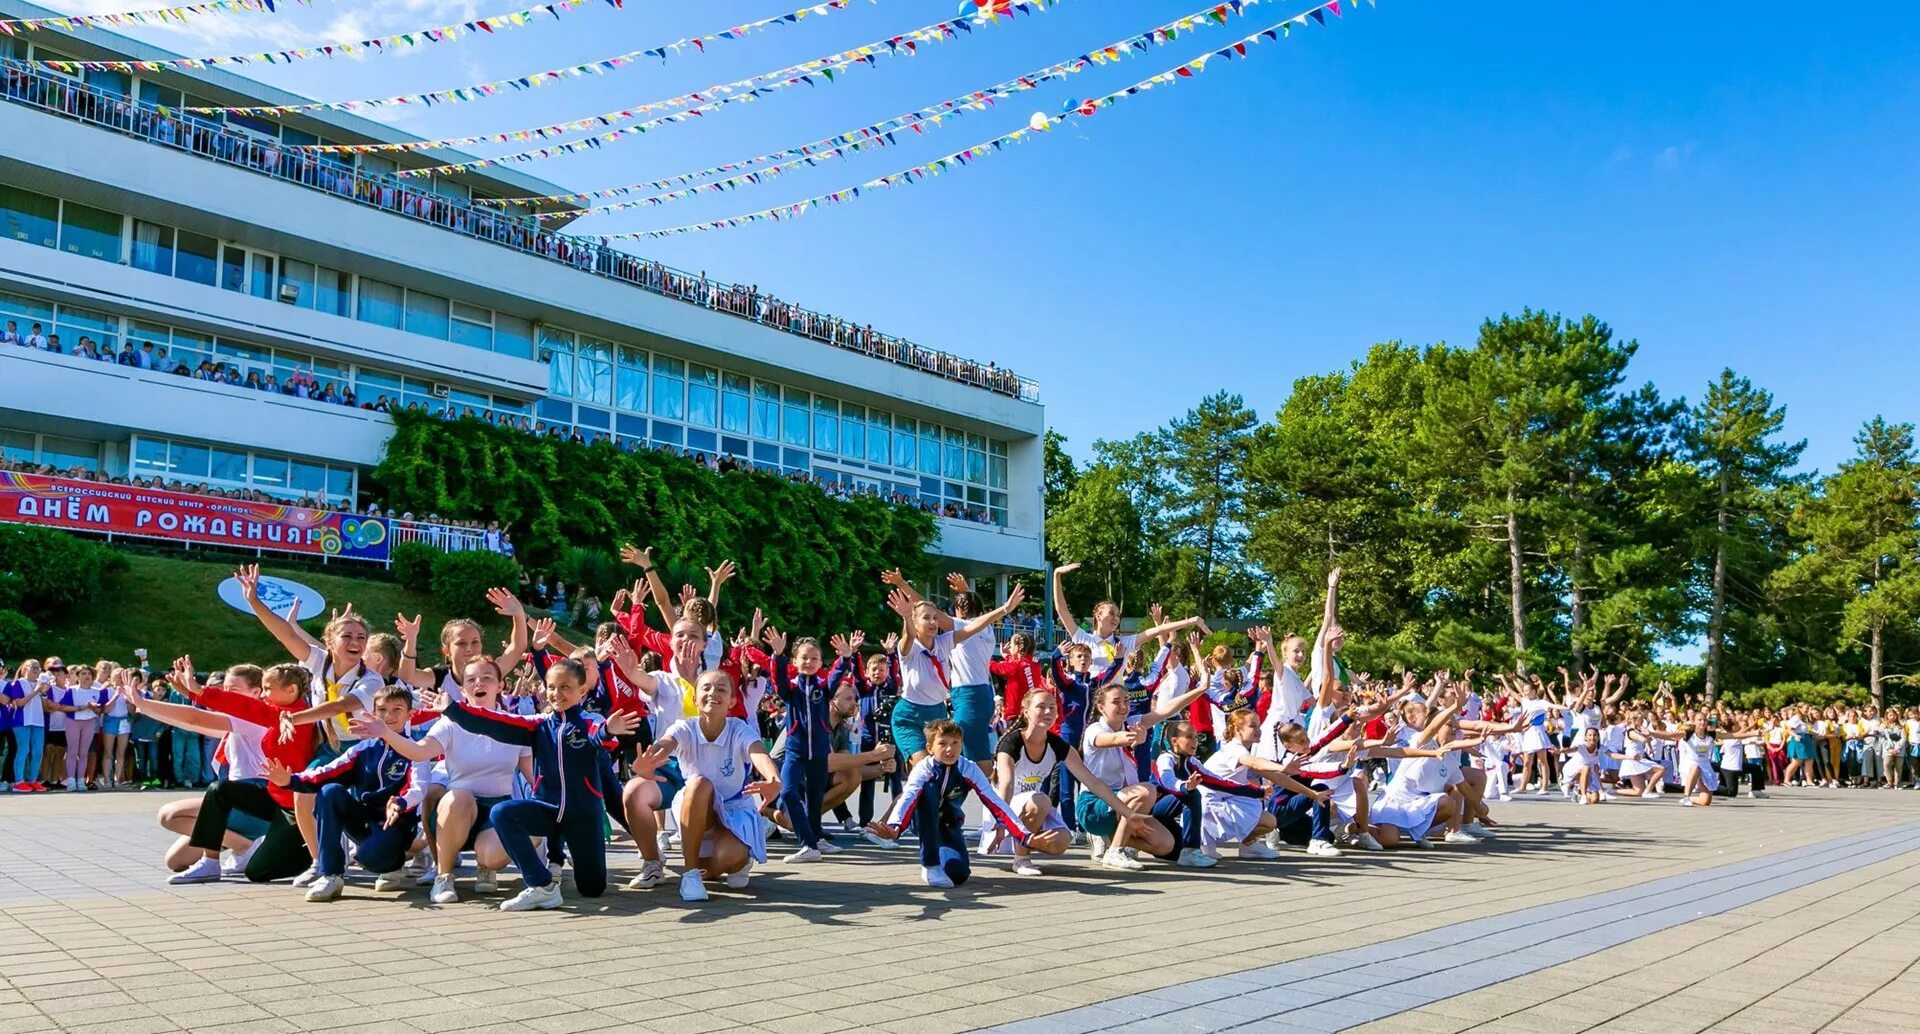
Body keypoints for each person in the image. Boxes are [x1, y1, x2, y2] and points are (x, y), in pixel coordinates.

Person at [436, 656, 639, 911]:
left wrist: (608, 730)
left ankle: (568, 865)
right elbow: (494, 723)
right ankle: (542, 886)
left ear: (582, 690)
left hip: (582, 816)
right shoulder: (537, 724)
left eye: (565, 687)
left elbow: (599, 736)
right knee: (504, 813)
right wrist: (453, 709)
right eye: (552, 687)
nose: (557, 693)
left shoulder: (589, 722)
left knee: (592, 889)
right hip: (548, 811)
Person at [349, 658, 533, 904]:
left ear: (500, 686)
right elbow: (419, 751)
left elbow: (534, 777)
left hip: (497, 810)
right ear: (463, 689)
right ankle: (444, 875)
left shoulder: (516, 725)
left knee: (508, 842)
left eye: (487, 677)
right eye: (471, 680)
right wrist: (385, 732)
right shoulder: (450, 723)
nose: (479, 683)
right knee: (459, 796)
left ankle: (484, 867)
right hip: (457, 810)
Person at [158, 658, 320, 883]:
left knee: (258, 873)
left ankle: (318, 853)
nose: (263, 695)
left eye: (267, 689)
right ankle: (210, 862)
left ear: (291, 690)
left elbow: (242, 706)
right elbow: (237, 706)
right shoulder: (275, 713)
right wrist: (193, 692)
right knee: (219, 789)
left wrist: (196, 691)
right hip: (272, 798)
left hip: (295, 806)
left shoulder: (299, 716)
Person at [268, 685, 423, 903]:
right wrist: (290, 781)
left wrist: (399, 802)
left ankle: (395, 866)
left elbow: (418, 787)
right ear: (373, 713)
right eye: (382, 710)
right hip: (364, 821)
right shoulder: (363, 748)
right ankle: (330, 874)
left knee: (372, 859)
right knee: (330, 791)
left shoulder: (416, 748)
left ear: (410, 714)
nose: (388, 716)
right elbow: (327, 772)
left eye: (397, 710)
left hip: (396, 823)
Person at [641, 669, 783, 902]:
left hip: (733, 810)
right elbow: (665, 744)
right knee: (700, 785)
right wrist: (650, 759)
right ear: (694, 699)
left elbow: (758, 752)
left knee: (731, 856)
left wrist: (772, 779)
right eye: (705, 688)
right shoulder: (683, 727)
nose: (712, 693)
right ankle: (690, 874)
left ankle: (735, 862)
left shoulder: (739, 728)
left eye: (721, 689)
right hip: (697, 809)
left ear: (732, 701)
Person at [987, 687, 1148, 876]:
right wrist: (1001, 821)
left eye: (1052, 707)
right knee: (1042, 800)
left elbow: (1093, 782)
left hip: (1030, 808)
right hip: (1000, 809)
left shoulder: (1057, 744)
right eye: (1041, 706)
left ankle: (1026, 840)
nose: (1048, 712)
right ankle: (1021, 859)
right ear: (1025, 711)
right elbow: (1006, 785)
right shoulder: (1011, 743)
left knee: (1061, 842)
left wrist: (1128, 813)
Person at [868, 718, 1029, 888]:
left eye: (955, 743)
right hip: (922, 820)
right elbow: (908, 796)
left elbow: (995, 802)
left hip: (949, 824)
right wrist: (895, 827)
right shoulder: (923, 768)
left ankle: (941, 853)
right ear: (930, 748)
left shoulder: (969, 768)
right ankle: (930, 865)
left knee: (958, 874)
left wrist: (1025, 837)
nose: (950, 749)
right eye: (942, 743)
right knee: (928, 790)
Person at [746, 626, 855, 862]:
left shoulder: (823, 686)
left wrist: (845, 657)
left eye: (814, 658)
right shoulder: (792, 688)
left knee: (815, 798)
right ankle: (808, 844)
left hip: (818, 752)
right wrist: (777, 655)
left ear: (819, 662)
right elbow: (778, 681)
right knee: (788, 792)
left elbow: (836, 675)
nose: (809, 661)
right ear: (795, 661)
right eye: (804, 657)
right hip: (795, 752)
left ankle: (816, 839)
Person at [1079, 678, 1209, 871]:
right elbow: (1111, 739)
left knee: (1166, 844)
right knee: (1146, 790)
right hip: (1094, 805)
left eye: (1126, 700)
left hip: (1124, 804)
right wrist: (1133, 737)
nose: (1123, 706)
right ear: (1100, 707)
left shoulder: (1131, 723)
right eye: (1116, 702)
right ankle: (1116, 851)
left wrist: (1200, 689)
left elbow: (1166, 711)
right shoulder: (1094, 730)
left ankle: (1112, 838)